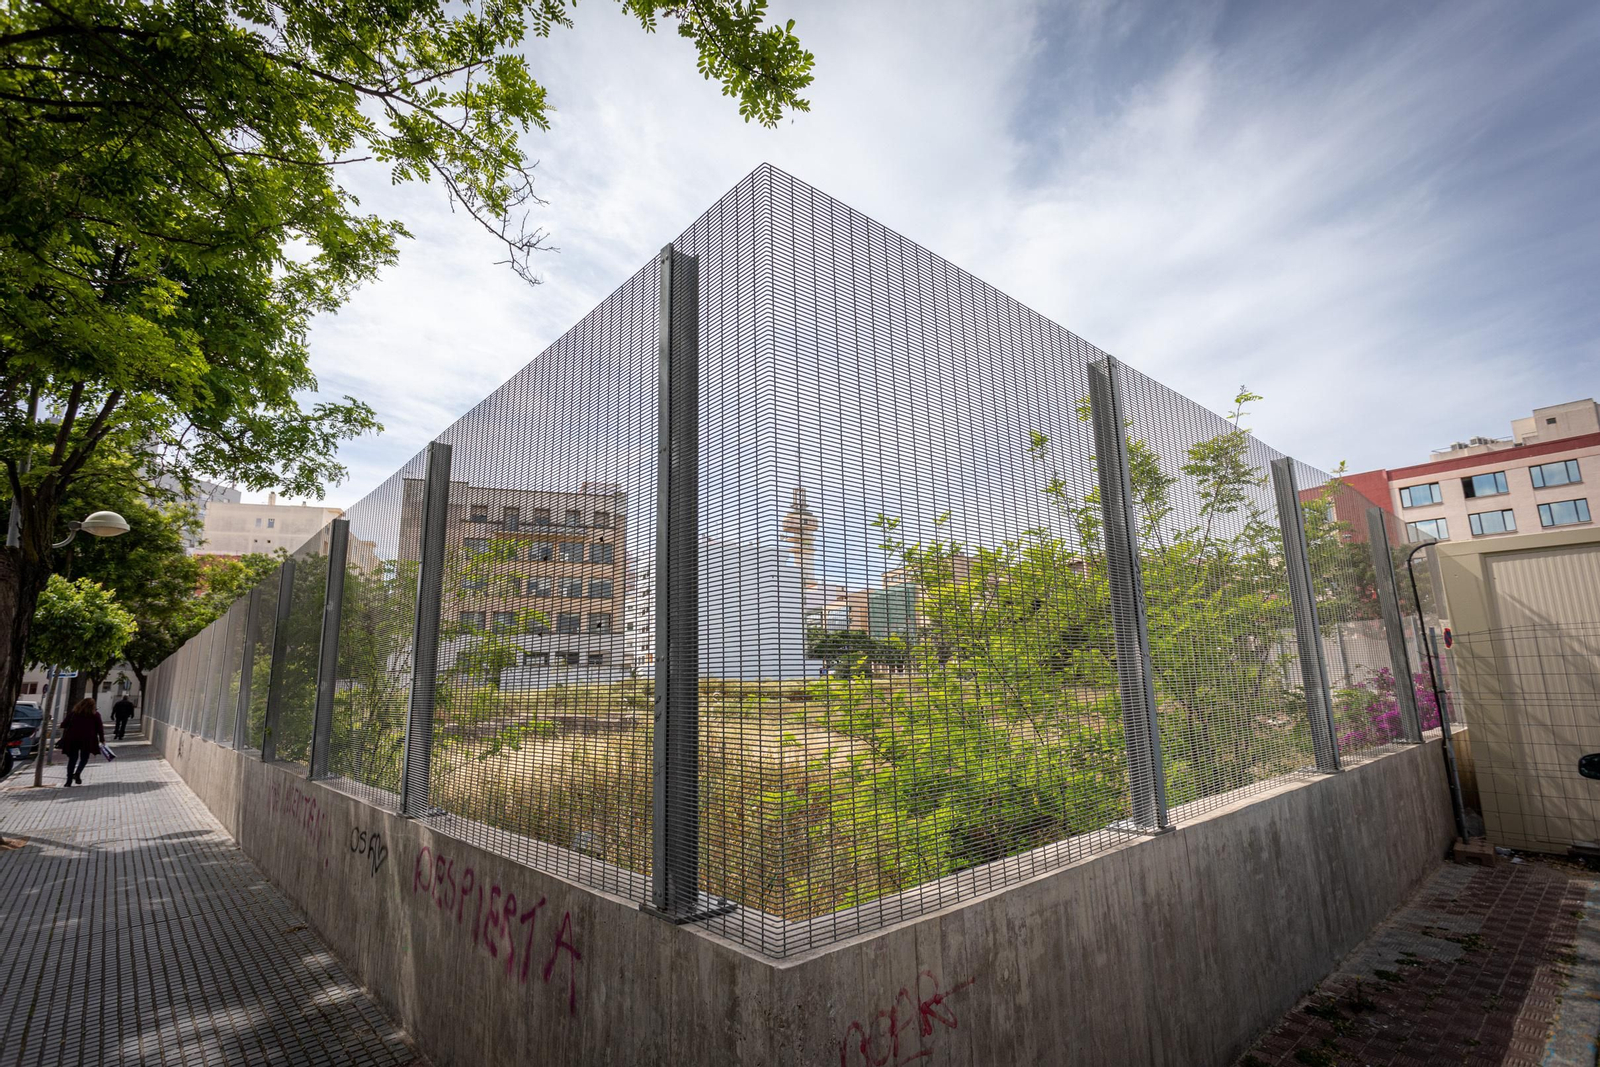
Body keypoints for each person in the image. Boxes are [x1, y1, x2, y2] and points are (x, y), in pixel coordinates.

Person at [57, 697, 104, 787]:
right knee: (84, 758)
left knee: (72, 759)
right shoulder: (95, 715)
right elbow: (100, 729)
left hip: (73, 739)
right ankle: (78, 772)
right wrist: (102, 740)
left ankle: (68, 781)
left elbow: (63, 725)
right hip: (87, 739)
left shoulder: (74, 714)